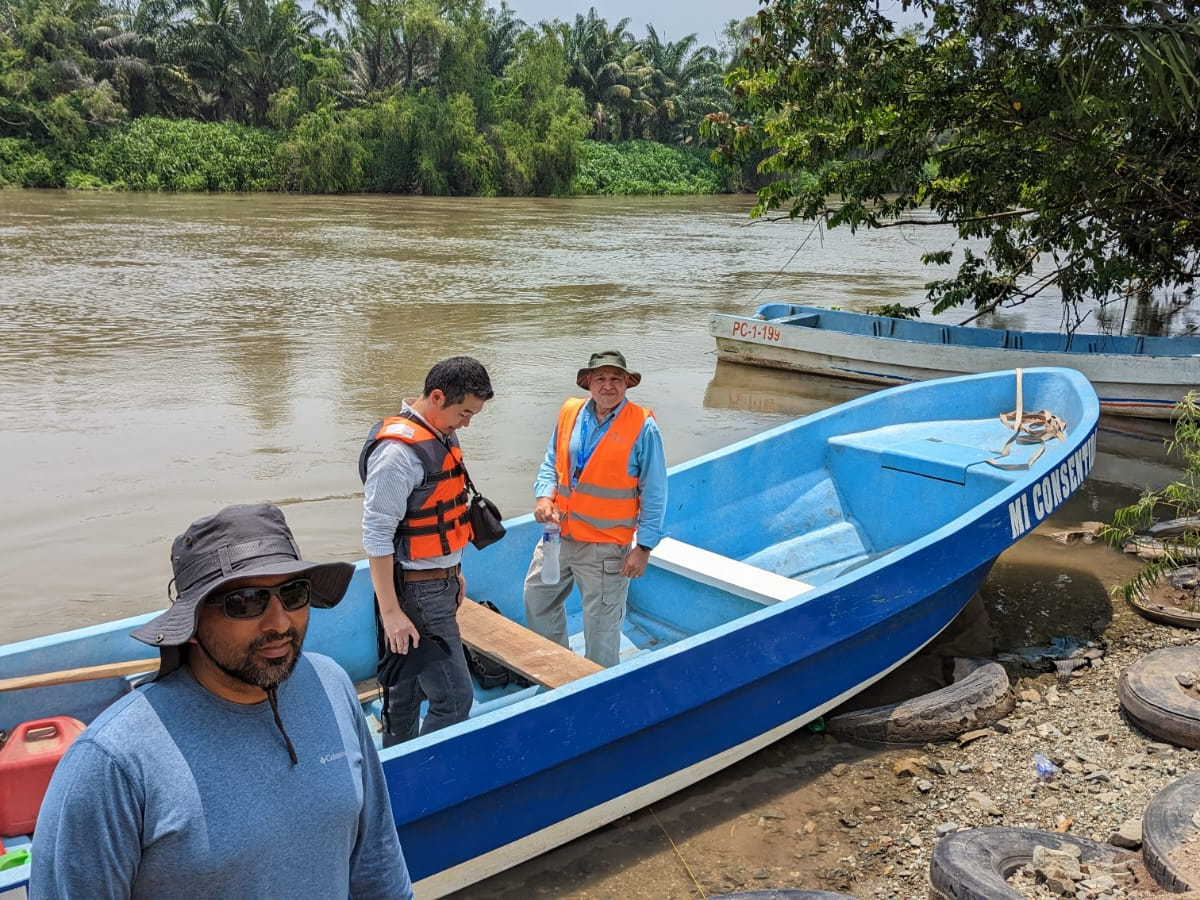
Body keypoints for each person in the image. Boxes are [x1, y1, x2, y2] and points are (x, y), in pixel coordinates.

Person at [29, 503, 412, 900]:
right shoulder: (113, 763)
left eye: (293, 593)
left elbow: (376, 860)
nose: (280, 623)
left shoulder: (330, 685)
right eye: (246, 602)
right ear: (191, 626)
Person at [359, 355, 494, 745]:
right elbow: (377, 536)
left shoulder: (440, 433)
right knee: (453, 701)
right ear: (436, 396)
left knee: (408, 688)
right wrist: (391, 613)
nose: (466, 422)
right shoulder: (397, 456)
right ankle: (426, 781)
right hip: (417, 593)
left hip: (439, 580)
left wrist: (454, 570)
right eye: (464, 412)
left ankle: (398, 773)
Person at [523, 350, 667, 667]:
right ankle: (558, 671)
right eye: (600, 378)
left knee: (601, 630)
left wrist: (643, 547)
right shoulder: (570, 413)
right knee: (537, 598)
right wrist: (543, 497)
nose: (608, 386)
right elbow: (551, 463)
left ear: (627, 384)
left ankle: (597, 690)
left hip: (605, 548)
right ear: (588, 382)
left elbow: (655, 492)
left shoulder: (643, 427)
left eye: (616, 379)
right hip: (558, 534)